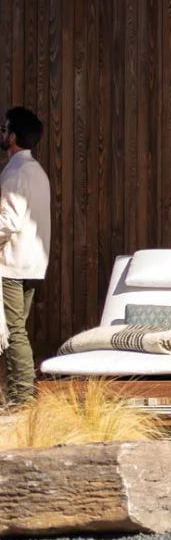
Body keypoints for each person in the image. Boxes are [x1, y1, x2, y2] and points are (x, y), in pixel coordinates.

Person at [0, 107, 51, 406]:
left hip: (12, 264)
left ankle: (21, 398)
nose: (3, 134)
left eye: (5, 128)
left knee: (13, 331)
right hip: (31, 262)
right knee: (16, 329)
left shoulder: (16, 172)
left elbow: (10, 221)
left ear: (14, 136)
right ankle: (18, 394)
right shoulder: (36, 171)